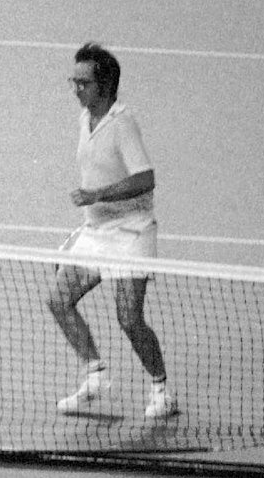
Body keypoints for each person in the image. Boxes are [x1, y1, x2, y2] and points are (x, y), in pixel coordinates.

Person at [47, 42, 177, 419]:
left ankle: (161, 390)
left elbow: (146, 179)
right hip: (97, 231)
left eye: (83, 82)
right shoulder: (85, 118)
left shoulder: (122, 124)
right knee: (58, 299)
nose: (76, 89)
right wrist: (89, 217)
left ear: (104, 84)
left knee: (129, 319)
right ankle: (95, 375)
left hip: (132, 232)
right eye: (73, 81)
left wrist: (96, 194)